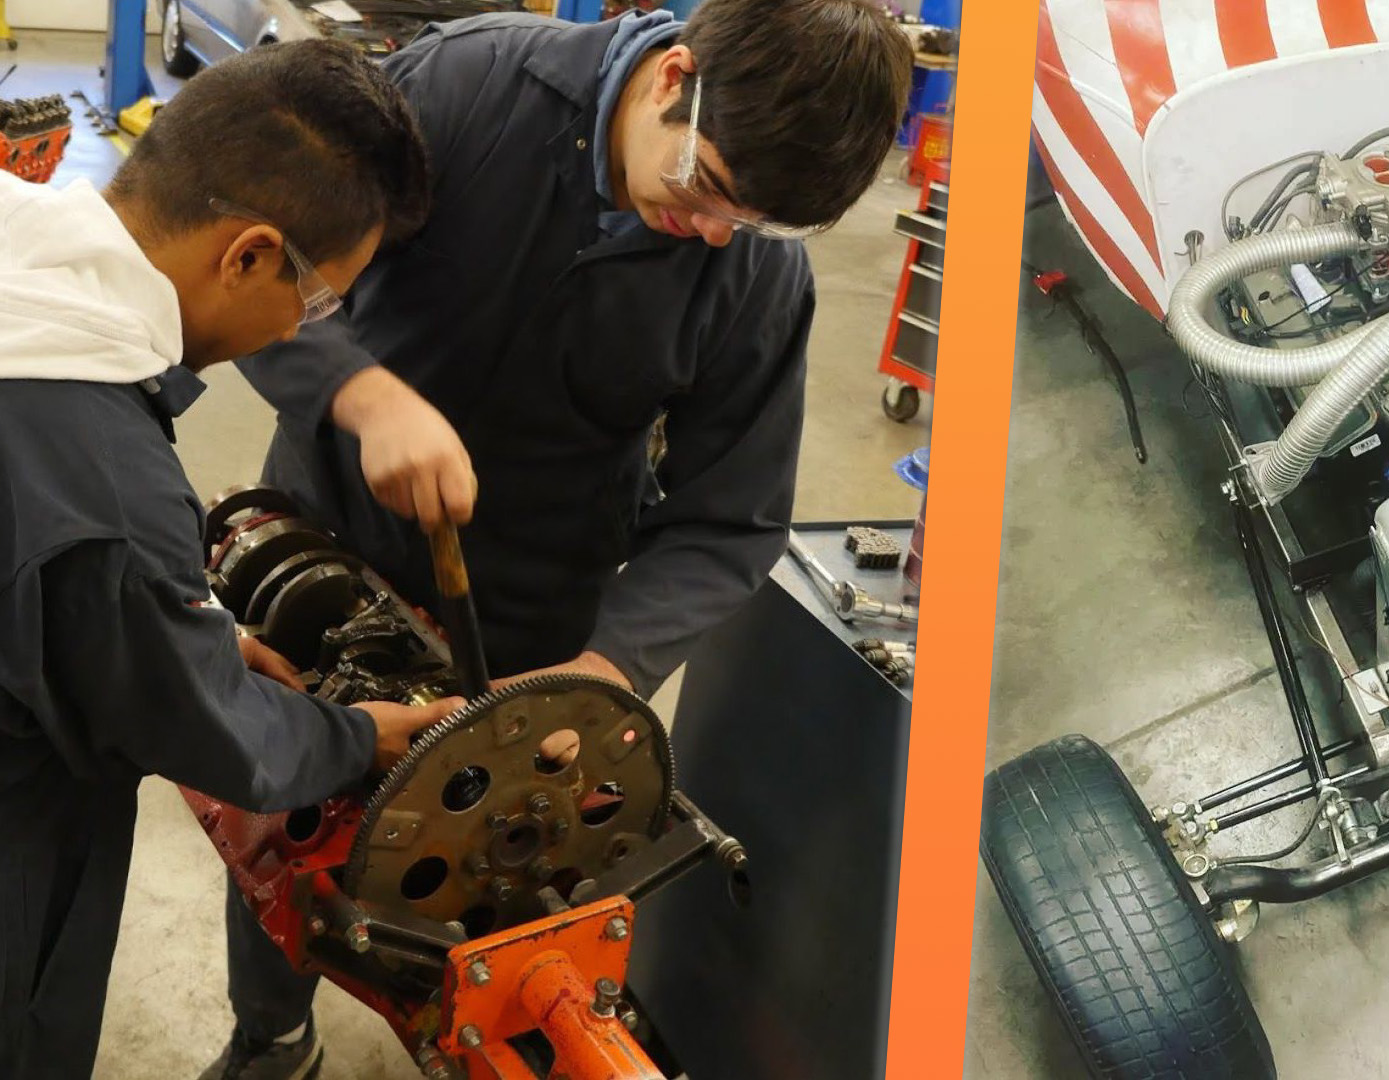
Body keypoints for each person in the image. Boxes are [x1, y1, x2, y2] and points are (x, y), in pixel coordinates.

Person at [197, 1, 912, 1075]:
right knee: (284, 826)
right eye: (712, 186)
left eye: (753, 220)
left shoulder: (753, 276)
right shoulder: (468, 88)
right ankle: (274, 1036)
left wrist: (605, 668)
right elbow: (257, 252)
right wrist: (362, 393)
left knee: (489, 870)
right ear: (675, 77)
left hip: (534, 613)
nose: (715, 233)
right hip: (330, 547)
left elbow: (731, 520)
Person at [0, 39, 461, 1080]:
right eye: (321, 300)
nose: (307, 324)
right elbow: (209, 731)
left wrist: (188, 627)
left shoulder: (23, 251)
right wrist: (360, 736)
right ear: (249, 253)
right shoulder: (106, 482)